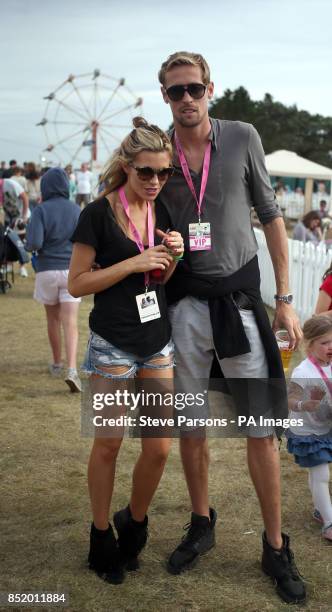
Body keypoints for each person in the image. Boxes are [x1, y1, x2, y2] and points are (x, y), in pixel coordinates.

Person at [156, 51, 305, 604]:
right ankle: (201, 522)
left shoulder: (242, 136)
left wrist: (284, 300)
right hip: (185, 307)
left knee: (260, 429)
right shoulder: (157, 152)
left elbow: (270, 215)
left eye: (194, 88)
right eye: (176, 92)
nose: (186, 99)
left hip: (240, 303)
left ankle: (274, 544)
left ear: (210, 89)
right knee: (191, 426)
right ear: (165, 96)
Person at [68, 117, 184, 584]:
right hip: (112, 344)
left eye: (163, 173)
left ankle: (133, 521)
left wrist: (171, 257)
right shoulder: (97, 213)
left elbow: (161, 280)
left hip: (157, 343)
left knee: (158, 450)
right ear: (126, 166)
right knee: (109, 445)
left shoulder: (163, 211)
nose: (155, 182)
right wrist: (131, 261)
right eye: (145, 172)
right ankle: (101, 536)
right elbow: (77, 284)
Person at [25, 167, 82, 392]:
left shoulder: (40, 210)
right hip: (71, 270)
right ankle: (72, 369)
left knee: (53, 320)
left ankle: (57, 363)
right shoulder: (77, 209)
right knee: (71, 322)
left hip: (47, 270)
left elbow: (35, 243)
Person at [287, 315, 332, 541]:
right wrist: (305, 404)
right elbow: (291, 400)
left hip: (326, 426)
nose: (330, 347)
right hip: (309, 432)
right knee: (321, 472)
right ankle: (330, 524)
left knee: (319, 474)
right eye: (325, 343)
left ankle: (319, 509)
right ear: (310, 343)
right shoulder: (303, 372)